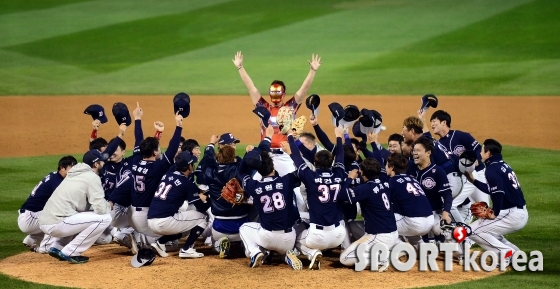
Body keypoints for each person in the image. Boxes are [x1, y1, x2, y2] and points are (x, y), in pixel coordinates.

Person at [232, 51, 322, 175]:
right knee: (256, 190)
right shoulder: (263, 107)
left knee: (295, 191)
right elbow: (251, 87)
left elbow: (304, 90)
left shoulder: (290, 106)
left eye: (278, 97)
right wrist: (240, 67)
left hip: (285, 155)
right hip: (266, 155)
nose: (274, 101)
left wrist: (312, 71)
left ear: (283, 94)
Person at [282, 126, 346, 270]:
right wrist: (339, 136)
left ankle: (312, 253)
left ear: (315, 164)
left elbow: (298, 159)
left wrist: (290, 137)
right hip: (338, 235)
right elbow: (340, 156)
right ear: (331, 163)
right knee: (304, 218)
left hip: (317, 236)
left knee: (295, 234)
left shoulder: (311, 177)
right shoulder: (339, 174)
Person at [39, 150, 111, 264]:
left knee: (78, 216)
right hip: (57, 223)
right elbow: (101, 208)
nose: (104, 164)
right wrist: (109, 206)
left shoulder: (74, 174)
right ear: (96, 164)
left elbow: (81, 208)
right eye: (102, 162)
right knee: (106, 218)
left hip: (46, 222)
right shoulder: (91, 177)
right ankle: (71, 251)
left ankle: (57, 246)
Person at [463, 139, 528, 266]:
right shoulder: (502, 165)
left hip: (511, 214)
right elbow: (492, 188)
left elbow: (498, 193)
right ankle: (515, 253)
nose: (480, 154)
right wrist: (473, 180)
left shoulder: (492, 169)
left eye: (482, 151)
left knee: (473, 232)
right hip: (515, 211)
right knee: (477, 229)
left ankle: (505, 253)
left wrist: (495, 212)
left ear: (489, 153)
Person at [237, 150, 302, 270]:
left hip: (267, 238)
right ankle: (287, 255)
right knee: (295, 227)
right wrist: (292, 152)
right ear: (273, 167)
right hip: (289, 239)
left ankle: (256, 252)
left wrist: (247, 157)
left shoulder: (254, 186)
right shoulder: (286, 181)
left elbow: (240, 172)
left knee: (244, 228)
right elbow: (302, 171)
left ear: (258, 171)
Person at [129, 107, 183, 249]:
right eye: (158, 149)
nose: (161, 150)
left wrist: (137, 119)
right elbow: (172, 149)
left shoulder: (135, 161)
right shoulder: (156, 168)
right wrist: (178, 127)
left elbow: (138, 139)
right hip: (146, 215)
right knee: (176, 237)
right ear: (154, 152)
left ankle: (137, 234)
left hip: (133, 212)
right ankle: (140, 238)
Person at [337, 158, 398, 272]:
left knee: (345, 258)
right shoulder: (385, 183)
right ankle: (387, 250)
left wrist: (350, 178)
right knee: (352, 225)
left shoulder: (366, 188)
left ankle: (381, 259)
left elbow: (341, 195)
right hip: (393, 233)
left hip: (379, 236)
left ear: (363, 173)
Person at [402, 114, 464, 223]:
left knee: (444, 205)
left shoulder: (424, 144)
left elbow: (431, 171)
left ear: (412, 131)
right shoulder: (425, 139)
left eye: (404, 130)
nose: (402, 133)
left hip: (450, 179)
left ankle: (462, 232)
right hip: (452, 177)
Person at [147, 152, 209, 258]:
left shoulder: (167, 175)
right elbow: (201, 207)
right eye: (192, 163)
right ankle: (186, 249)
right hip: (165, 221)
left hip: (150, 221)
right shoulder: (186, 183)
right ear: (189, 166)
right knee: (203, 217)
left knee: (187, 226)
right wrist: (211, 198)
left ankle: (160, 243)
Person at [18, 156, 77, 253]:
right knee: (62, 215)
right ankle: (46, 247)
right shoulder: (57, 182)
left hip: (31, 215)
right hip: (30, 218)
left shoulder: (54, 176)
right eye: (72, 168)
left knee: (59, 214)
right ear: (62, 168)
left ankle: (32, 239)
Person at [429, 109, 489, 206]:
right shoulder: (438, 145)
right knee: (461, 206)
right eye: (431, 122)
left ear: (444, 122)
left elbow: (477, 148)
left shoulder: (460, 136)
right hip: (461, 178)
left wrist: (477, 159)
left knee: (484, 208)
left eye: (434, 121)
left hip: (477, 173)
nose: (432, 124)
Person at [409, 137, 453, 241]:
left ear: (428, 153)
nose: (414, 153)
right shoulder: (409, 168)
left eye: (418, 150)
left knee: (440, 230)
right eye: (414, 150)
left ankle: (455, 245)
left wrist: (445, 213)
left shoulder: (437, 172)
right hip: (415, 214)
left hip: (434, 212)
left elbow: (447, 195)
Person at [385, 153, 434, 247]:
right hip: (429, 221)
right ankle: (422, 248)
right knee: (404, 217)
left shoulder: (392, 181)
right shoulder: (413, 179)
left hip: (414, 223)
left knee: (381, 222)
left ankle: (401, 247)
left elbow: (384, 205)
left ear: (392, 167)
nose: (385, 167)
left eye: (387, 165)